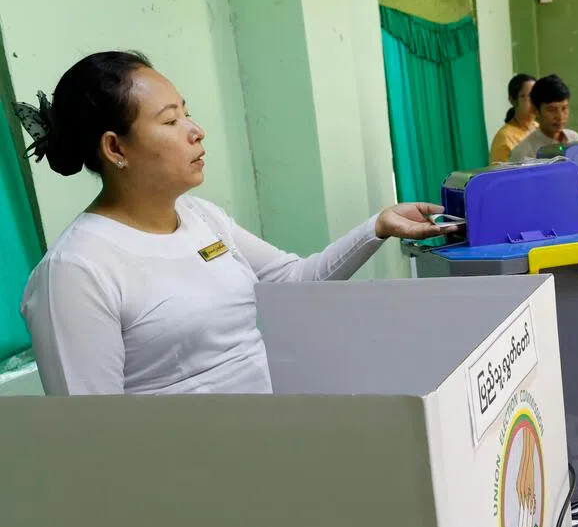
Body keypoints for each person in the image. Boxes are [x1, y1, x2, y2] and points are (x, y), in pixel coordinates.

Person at [17, 51, 444, 396]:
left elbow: (296, 280)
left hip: (258, 455)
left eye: (187, 113)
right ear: (115, 148)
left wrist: (377, 228)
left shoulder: (202, 216)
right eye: (170, 121)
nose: (196, 130)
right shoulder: (76, 271)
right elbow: (92, 438)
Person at [509, 74, 578, 161]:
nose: (560, 117)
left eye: (564, 108)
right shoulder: (524, 153)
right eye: (552, 110)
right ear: (536, 110)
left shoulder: (574, 139)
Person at [489, 73, 537, 163]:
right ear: (513, 100)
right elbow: (501, 176)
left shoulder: (538, 128)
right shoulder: (504, 138)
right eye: (529, 96)